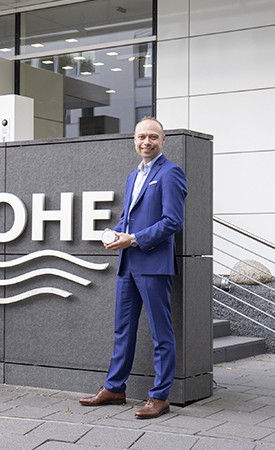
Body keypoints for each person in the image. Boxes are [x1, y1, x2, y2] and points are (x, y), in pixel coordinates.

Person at [79, 117, 187, 419]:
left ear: (163, 140)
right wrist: (115, 233)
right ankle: (114, 388)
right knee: (123, 329)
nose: (146, 142)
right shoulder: (133, 176)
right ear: (134, 140)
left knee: (161, 333)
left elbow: (172, 221)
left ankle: (160, 397)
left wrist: (135, 239)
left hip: (154, 264)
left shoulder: (171, 173)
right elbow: (128, 218)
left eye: (153, 136)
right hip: (128, 264)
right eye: (141, 137)